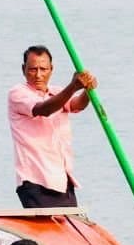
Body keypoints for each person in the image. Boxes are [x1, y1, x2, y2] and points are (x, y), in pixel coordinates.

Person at [7, 45, 97, 208]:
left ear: (51, 69)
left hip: (62, 181)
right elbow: (44, 109)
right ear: (23, 69)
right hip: (36, 182)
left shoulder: (57, 92)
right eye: (33, 69)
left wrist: (87, 91)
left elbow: (77, 105)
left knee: (71, 231)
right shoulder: (18, 93)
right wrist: (72, 87)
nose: (38, 75)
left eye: (43, 69)